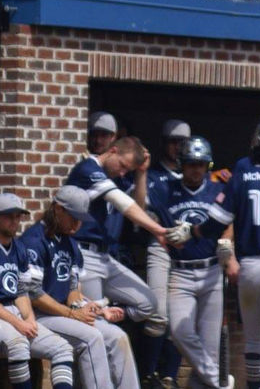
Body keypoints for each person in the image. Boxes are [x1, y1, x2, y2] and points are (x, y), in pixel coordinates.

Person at [178, 117, 260, 388]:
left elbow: (217, 220)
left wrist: (193, 232)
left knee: (253, 339)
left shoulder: (244, 169)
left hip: (250, 267)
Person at [21, 185, 140, 388]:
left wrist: (96, 310)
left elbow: (73, 289)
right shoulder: (34, 240)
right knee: (91, 338)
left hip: (62, 314)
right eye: (73, 217)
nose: (77, 224)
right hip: (36, 316)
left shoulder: (70, 243)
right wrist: (72, 314)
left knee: (117, 336)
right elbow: (33, 294)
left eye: (80, 219)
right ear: (58, 209)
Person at [65, 136, 170, 338]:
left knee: (148, 303)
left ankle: (109, 315)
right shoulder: (88, 169)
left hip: (106, 257)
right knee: (93, 328)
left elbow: (138, 209)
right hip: (83, 254)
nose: (122, 172)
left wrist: (141, 173)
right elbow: (122, 203)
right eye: (122, 166)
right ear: (112, 151)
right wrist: (158, 230)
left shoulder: (117, 177)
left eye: (127, 170)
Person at [151, 137, 233, 389]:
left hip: (211, 270)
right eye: (190, 164)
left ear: (207, 165)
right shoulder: (166, 190)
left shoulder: (217, 189)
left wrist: (227, 242)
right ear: (181, 165)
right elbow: (142, 207)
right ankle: (219, 381)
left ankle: (209, 380)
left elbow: (230, 220)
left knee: (210, 346)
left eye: (200, 164)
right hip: (181, 273)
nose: (195, 169)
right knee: (179, 331)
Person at [0, 192, 75, 389]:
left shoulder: (19, 248)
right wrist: (18, 323)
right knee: (19, 345)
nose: (14, 221)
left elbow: (22, 291)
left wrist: (29, 319)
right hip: (2, 314)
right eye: (9, 216)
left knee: (62, 349)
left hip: (13, 312)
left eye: (18, 216)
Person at [138, 119, 191, 389]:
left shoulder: (196, 172)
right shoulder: (154, 174)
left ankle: (169, 376)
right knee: (158, 314)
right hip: (159, 246)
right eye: (173, 141)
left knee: (179, 319)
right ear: (164, 142)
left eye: (183, 142)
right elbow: (139, 208)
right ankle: (148, 375)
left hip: (187, 254)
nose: (178, 147)